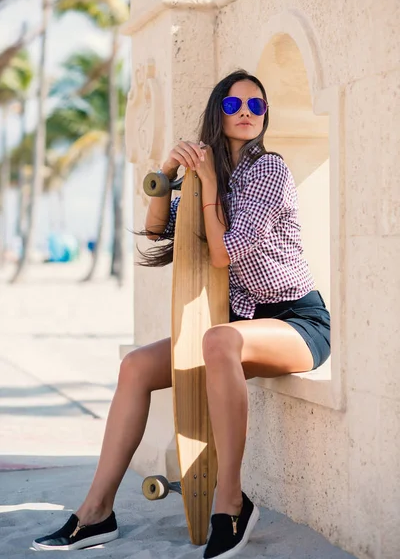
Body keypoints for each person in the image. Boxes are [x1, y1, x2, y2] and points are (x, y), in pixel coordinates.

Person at [32, 70, 331, 558]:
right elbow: (156, 232)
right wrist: (168, 173)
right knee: (135, 367)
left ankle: (232, 502)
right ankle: (95, 512)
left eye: (258, 106)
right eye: (236, 106)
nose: (248, 115)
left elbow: (224, 255)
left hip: (297, 321)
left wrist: (209, 182)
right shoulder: (211, 175)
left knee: (217, 340)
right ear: (218, 112)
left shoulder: (269, 171)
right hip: (239, 325)